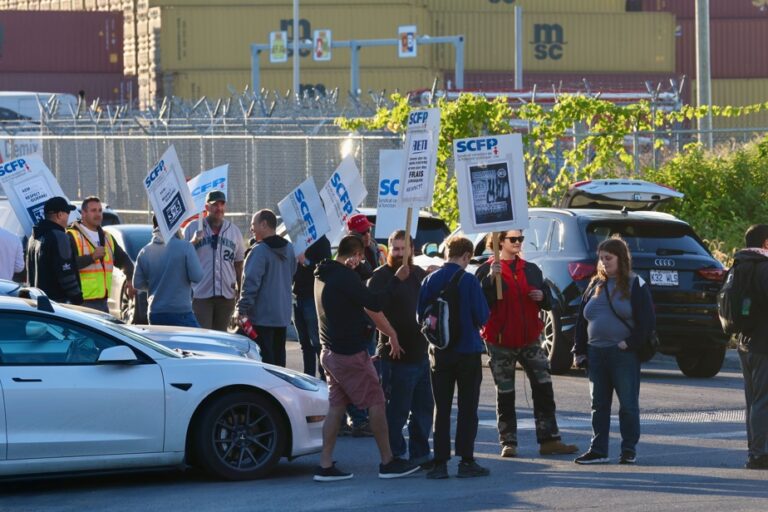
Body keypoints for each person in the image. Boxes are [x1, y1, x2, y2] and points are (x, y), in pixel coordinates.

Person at [313, 234, 419, 482]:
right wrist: (396, 280)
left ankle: (325, 464)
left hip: (328, 351)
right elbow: (374, 302)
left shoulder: (323, 273)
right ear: (356, 255)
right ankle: (388, 462)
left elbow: (350, 294)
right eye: (361, 257)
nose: (361, 262)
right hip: (348, 353)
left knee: (337, 407)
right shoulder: (345, 277)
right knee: (376, 402)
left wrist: (355, 271)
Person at [476, 230, 579, 458]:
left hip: (530, 339)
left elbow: (548, 301)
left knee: (543, 387)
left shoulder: (531, 269)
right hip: (500, 340)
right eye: (513, 239)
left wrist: (543, 297)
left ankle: (549, 439)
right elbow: (479, 305)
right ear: (499, 241)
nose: (518, 243)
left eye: (520, 239)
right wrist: (489, 280)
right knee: (505, 392)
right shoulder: (486, 269)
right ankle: (508, 442)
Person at [572, 236, 655, 465]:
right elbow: (582, 320)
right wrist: (579, 350)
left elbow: (647, 322)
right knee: (598, 405)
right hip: (595, 353)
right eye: (601, 259)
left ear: (621, 258)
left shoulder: (634, 283)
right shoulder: (594, 285)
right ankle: (598, 450)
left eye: (608, 258)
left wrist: (628, 344)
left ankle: (628, 450)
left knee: (628, 405)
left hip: (623, 354)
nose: (604, 263)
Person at [417, 236, 490, 479]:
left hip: (439, 353)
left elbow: (420, 317)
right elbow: (482, 315)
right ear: (467, 256)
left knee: (442, 407)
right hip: (467, 351)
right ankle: (466, 461)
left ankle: (440, 463)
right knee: (468, 408)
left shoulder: (429, 279)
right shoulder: (469, 280)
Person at [368, 230, 433, 468]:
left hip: (421, 353)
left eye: (402, 248)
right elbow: (373, 309)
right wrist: (390, 335)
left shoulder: (418, 274)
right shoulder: (380, 276)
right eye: (394, 249)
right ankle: (395, 455)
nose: (398, 253)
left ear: (412, 249)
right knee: (396, 411)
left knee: (423, 409)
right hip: (395, 356)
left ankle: (420, 453)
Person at [237, 209, 296, 367]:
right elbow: (291, 275)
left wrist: (241, 310)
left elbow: (250, 283)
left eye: (253, 224)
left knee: (262, 364)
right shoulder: (289, 248)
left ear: (263, 225)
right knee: (279, 364)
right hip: (282, 317)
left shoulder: (259, 251)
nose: (251, 229)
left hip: (261, 318)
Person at [733, 224, 768, 470]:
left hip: (744, 341)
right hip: (764, 342)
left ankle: (754, 450)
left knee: (753, 399)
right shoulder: (764, 268)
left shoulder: (739, 265)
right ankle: (760, 454)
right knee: (763, 400)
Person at [184, 191, 245, 331]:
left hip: (226, 296)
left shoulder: (234, 231)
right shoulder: (192, 228)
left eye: (222, 204)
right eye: (215, 205)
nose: (219, 208)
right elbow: (182, 257)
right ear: (206, 207)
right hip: (200, 294)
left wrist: (240, 293)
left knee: (221, 338)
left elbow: (239, 265)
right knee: (203, 337)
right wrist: (193, 242)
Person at [67, 196, 135, 313]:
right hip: (81, 303)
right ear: (83, 213)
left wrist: (130, 280)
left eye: (100, 210)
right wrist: (92, 257)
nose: (98, 214)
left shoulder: (107, 237)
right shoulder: (71, 236)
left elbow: (124, 260)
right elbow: (68, 265)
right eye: (93, 210)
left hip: (103, 302)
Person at [133, 216, 203, 327]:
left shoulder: (144, 251)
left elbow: (137, 283)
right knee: (198, 343)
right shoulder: (186, 247)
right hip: (181, 312)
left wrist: (158, 286)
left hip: (155, 312)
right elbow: (197, 276)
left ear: (154, 226)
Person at [26, 197, 83, 304]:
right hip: (58, 304)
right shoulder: (60, 237)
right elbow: (66, 271)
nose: (69, 217)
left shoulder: (33, 237)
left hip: (37, 302)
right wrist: (77, 298)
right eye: (67, 213)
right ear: (60, 215)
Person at [293, 234, 331, 378]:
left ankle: (324, 377)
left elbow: (326, 268)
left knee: (317, 343)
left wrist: (306, 261)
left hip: (312, 297)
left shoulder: (322, 241)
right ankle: (308, 376)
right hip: (297, 296)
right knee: (304, 343)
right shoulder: (298, 238)